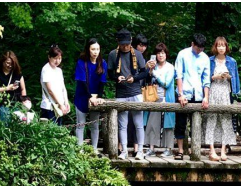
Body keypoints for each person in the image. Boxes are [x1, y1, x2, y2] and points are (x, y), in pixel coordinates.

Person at [107, 29, 147, 159]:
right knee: (122, 124)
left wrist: (134, 78)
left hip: (135, 91)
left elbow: (144, 72)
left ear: (130, 41)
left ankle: (140, 150)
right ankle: (123, 150)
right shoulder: (113, 54)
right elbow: (110, 73)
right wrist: (117, 78)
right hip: (121, 92)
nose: (125, 47)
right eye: (122, 44)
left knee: (138, 123)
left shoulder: (137, 54)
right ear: (118, 42)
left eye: (127, 44)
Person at [173, 32, 209, 160]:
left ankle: (195, 151)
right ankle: (181, 150)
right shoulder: (183, 54)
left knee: (197, 123)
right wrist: (181, 94)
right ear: (192, 44)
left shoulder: (205, 58)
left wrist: (206, 97)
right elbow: (179, 75)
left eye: (202, 48)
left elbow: (206, 79)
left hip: (198, 93)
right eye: (198, 47)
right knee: (181, 123)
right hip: (185, 92)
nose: (200, 50)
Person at [203, 36, 239, 162]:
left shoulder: (232, 61)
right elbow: (205, 78)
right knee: (211, 119)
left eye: (223, 45)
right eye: (219, 45)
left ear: (226, 47)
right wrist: (215, 77)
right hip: (213, 91)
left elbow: (235, 79)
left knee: (226, 120)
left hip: (225, 92)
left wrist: (228, 77)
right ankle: (212, 150)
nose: (221, 48)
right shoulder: (209, 60)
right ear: (215, 47)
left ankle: (223, 150)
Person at [142, 43, 176, 158]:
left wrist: (154, 73)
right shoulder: (153, 66)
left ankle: (169, 148)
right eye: (158, 53)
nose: (160, 55)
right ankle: (151, 148)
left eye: (162, 53)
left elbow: (167, 83)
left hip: (167, 98)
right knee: (152, 122)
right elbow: (145, 81)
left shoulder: (170, 67)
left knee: (168, 124)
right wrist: (148, 69)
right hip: (154, 98)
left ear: (166, 54)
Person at [74, 38, 108, 150]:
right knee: (80, 125)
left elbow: (102, 82)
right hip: (82, 96)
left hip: (96, 97)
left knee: (95, 125)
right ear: (88, 49)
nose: (95, 52)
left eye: (97, 49)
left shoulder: (102, 63)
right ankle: (80, 151)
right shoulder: (81, 62)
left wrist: (99, 97)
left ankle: (94, 150)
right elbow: (82, 81)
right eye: (93, 49)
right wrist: (89, 97)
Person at [0, 51, 27, 123]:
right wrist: (7, 88)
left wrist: (24, 100)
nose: (10, 65)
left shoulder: (17, 74)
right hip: (1, 105)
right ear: (2, 62)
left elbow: (23, 89)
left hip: (16, 104)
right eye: (7, 63)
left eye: (12, 64)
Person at [39, 44, 70, 124]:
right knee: (50, 132)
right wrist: (60, 104)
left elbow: (63, 88)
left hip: (59, 107)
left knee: (59, 131)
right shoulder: (46, 69)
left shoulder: (59, 70)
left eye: (59, 58)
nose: (57, 61)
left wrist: (66, 103)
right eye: (55, 58)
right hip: (49, 106)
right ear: (49, 57)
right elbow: (50, 90)